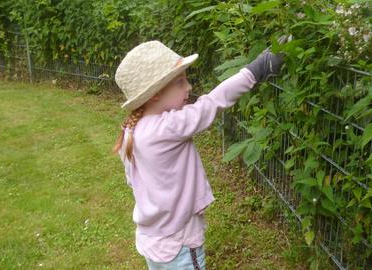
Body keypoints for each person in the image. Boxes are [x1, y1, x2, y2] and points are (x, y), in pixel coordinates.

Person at [113, 38, 285, 269]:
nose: (189, 87)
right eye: (180, 82)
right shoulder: (167, 127)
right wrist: (255, 70)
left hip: (151, 239)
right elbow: (212, 103)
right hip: (179, 240)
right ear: (155, 93)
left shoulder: (131, 131)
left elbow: (133, 181)